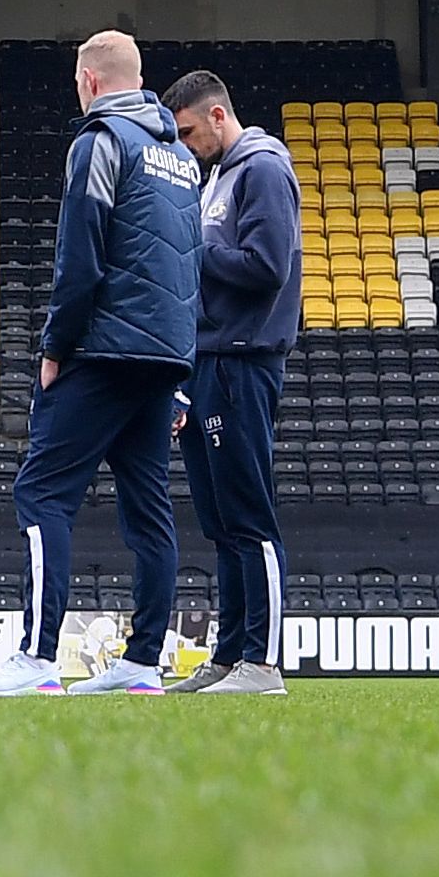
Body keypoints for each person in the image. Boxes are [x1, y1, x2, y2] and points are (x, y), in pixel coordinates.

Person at [0, 30, 201, 695]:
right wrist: (182, 371)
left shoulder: (100, 141)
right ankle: (143, 662)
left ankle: (37, 657)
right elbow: (190, 267)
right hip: (164, 358)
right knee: (149, 510)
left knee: (41, 493)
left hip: (103, 350)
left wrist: (55, 347)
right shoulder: (181, 157)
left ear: (89, 81)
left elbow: (79, 256)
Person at [165, 69, 298, 696]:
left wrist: (191, 250)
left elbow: (267, 266)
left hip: (244, 359)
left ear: (217, 116)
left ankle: (263, 663)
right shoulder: (215, 177)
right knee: (220, 521)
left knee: (249, 516)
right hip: (210, 360)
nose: (186, 145)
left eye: (190, 131)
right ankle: (229, 655)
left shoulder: (262, 169)